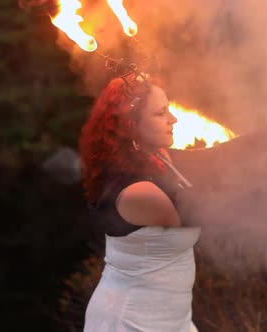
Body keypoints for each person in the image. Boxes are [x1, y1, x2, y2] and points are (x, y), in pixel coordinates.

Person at [79, 72, 200, 332]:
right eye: (161, 113)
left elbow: (209, 160)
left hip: (172, 318)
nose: (174, 119)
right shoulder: (139, 191)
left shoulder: (156, 158)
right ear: (131, 125)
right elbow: (211, 213)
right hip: (131, 321)